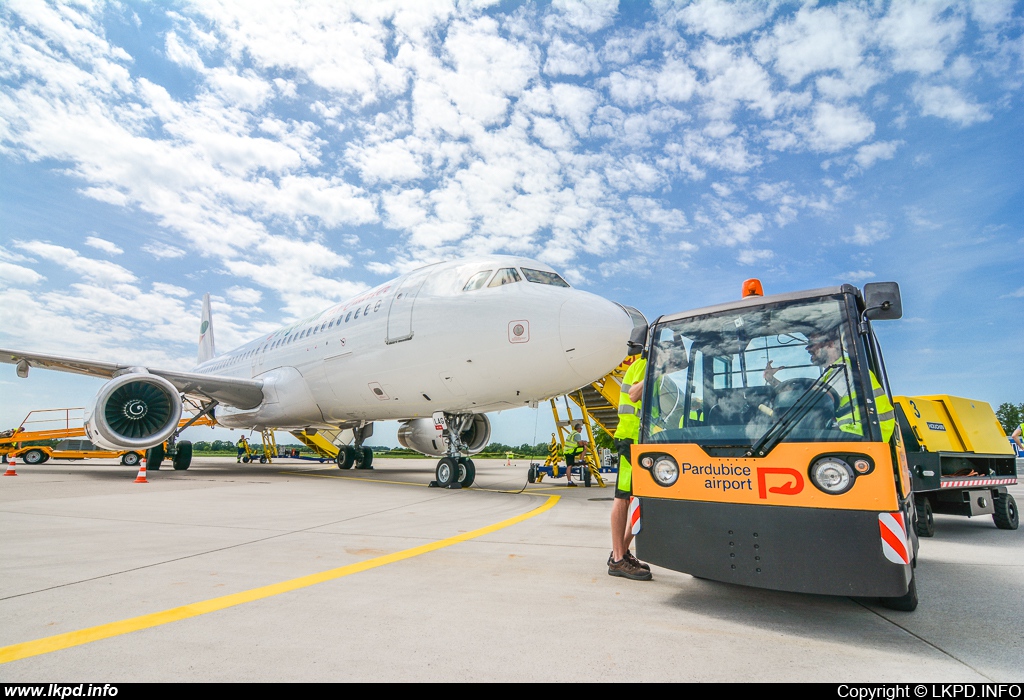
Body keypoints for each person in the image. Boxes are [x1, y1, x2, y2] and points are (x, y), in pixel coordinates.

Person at [764, 326, 895, 442]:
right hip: (850, 433)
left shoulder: (847, 370)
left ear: (831, 344)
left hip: (860, 434)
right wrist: (772, 380)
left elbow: (814, 402)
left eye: (812, 343)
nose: (807, 348)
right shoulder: (833, 372)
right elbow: (807, 398)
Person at [608, 356, 653, 581]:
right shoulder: (646, 365)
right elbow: (635, 394)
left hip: (641, 440)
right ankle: (617, 560)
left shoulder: (650, 365)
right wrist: (656, 372)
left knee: (637, 498)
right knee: (623, 497)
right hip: (630, 439)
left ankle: (622, 553)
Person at [564, 422, 588, 487]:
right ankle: (581, 460)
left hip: (567, 451)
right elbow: (580, 444)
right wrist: (585, 443)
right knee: (585, 448)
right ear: (578, 428)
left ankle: (569, 481)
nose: (581, 430)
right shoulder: (577, 434)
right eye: (581, 428)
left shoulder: (571, 433)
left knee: (569, 466)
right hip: (572, 451)